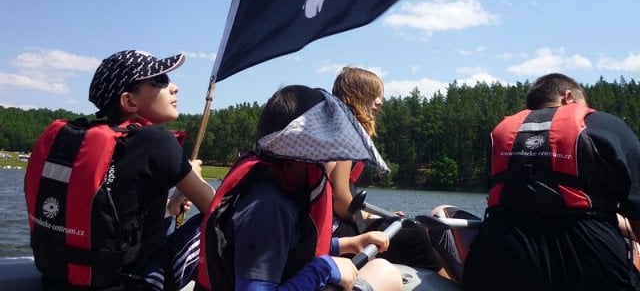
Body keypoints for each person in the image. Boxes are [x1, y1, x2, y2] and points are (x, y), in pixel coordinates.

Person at [24, 50, 216, 291]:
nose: (174, 87)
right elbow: (214, 208)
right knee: (219, 222)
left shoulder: (96, 143)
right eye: (160, 80)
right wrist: (193, 174)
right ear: (129, 102)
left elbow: (114, 220)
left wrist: (172, 204)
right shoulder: (156, 140)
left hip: (58, 283)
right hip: (132, 284)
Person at [195, 85, 402, 291]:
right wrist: (323, 269)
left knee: (382, 270)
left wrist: (347, 244)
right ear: (307, 154)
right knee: (384, 273)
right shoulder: (269, 208)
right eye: (331, 152)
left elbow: (291, 248)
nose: (335, 160)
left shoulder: (284, 191)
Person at [463, 73, 640, 290]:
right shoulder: (605, 124)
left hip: (504, 258)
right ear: (568, 97)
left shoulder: (499, 133)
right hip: (591, 262)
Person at [330, 67, 442, 272]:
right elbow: (341, 202)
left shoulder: (335, 129)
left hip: (333, 227)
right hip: (335, 234)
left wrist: (377, 217)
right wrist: (375, 219)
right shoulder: (345, 134)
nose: (380, 102)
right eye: (374, 95)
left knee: (406, 227)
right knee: (417, 235)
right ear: (355, 96)